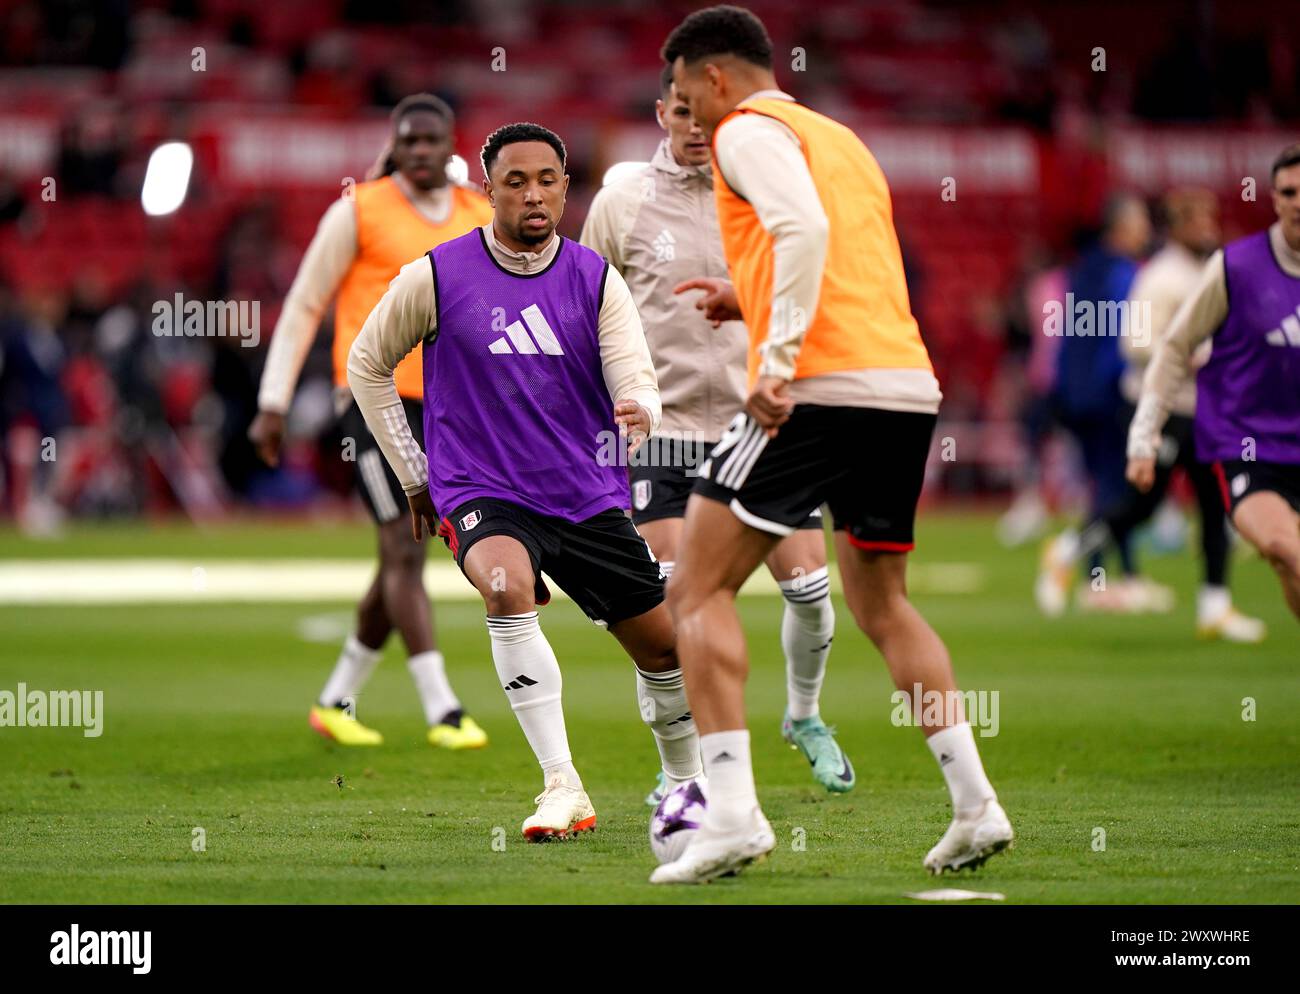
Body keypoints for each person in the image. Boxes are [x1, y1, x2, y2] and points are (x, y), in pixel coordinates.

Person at [652, 5, 1011, 884]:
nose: (685, 116)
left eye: (684, 96)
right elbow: (845, 251)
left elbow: (803, 232)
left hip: (816, 387)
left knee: (696, 589)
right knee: (883, 604)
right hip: (901, 386)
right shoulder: (840, 137)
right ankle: (975, 806)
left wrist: (773, 360)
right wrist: (751, 298)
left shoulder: (744, 127)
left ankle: (732, 815)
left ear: (713, 77)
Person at [347, 122, 704, 840]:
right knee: (506, 588)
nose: (533, 194)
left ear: (566, 188)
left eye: (546, 179)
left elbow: (635, 369)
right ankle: (562, 785)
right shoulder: (438, 274)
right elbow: (367, 363)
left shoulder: (594, 278)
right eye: (515, 181)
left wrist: (642, 405)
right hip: (483, 488)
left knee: (665, 649)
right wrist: (415, 475)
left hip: (584, 491)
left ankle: (687, 784)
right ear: (490, 190)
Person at [580, 64, 850, 802]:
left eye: (708, 118)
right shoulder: (623, 198)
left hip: (754, 426)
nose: (696, 131)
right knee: (670, 610)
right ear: (661, 110)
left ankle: (803, 716)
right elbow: (587, 303)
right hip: (660, 433)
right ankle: (685, 774)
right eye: (682, 115)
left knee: (811, 589)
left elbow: (807, 293)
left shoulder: (764, 195)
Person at [248, 94, 490, 750]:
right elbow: (304, 303)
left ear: (449, 144)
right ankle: (444, 710)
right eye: (407, 140)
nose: (419, 151)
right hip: (372, 399)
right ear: (394, 145)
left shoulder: (478, 215)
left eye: (430, 140)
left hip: (449, 406)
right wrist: (274, 401)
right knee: (404, 542)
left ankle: (336, 700)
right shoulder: (358, 210)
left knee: (399, 555)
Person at [1128, 144, 1300, 623]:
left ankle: (1215, 604)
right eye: (1289, 191)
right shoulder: (1236, 268)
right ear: (1274, 198)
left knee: (1291, 570)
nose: (1299, 202)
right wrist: (1143, 436)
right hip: (1250, 448)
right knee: (1287, 549)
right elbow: (1171, 346)